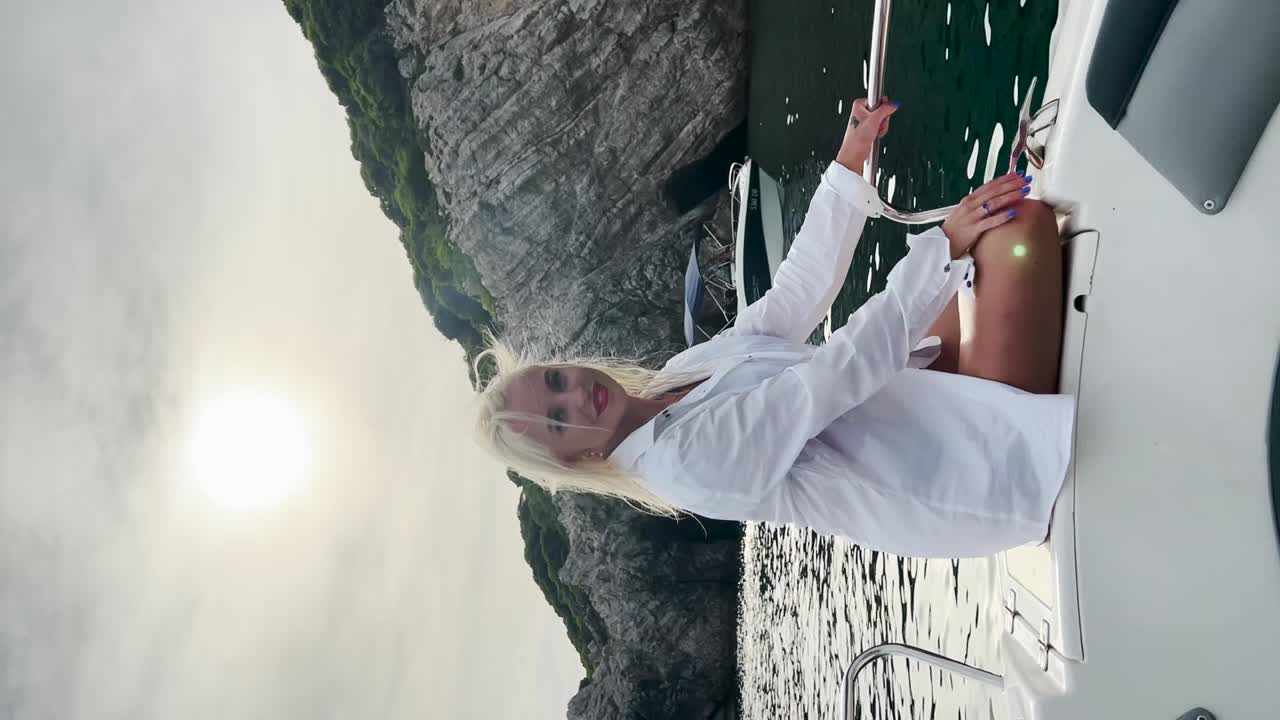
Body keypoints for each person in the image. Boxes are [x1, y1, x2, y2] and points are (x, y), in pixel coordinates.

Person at [473, 97, 1073, 559]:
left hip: (920, 404)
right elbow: (829, 381)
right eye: (559, 420)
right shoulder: (683, 464)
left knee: (978, 246)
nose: (574, 393)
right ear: (577, 459)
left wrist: (849, 160)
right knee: (1016, 227)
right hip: (967, 471)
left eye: (553, 379)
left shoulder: (676, 379)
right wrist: (940, 244)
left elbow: (792, 296)